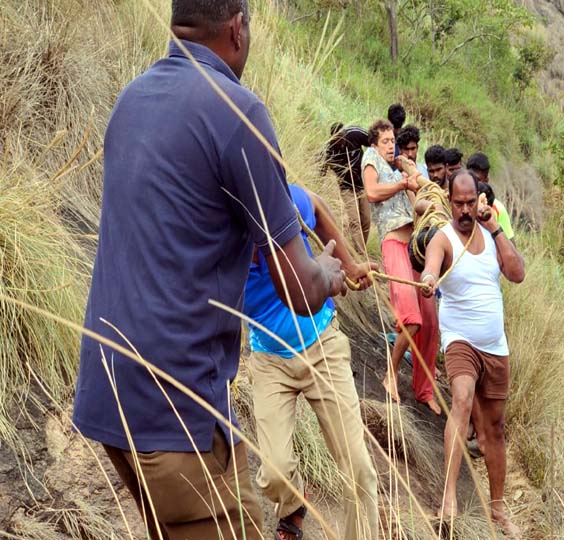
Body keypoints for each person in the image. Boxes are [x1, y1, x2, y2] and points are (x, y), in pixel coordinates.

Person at [72, 3, 346, 540]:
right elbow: (298, 288)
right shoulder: (238, 113)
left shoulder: (132, 99)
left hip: (108, 393)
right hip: (177, 411)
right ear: (237, 26)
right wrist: (331, 270)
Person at [245, 185, 379, 540]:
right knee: (274, 472)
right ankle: (292, 507)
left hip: (323, 345)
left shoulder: (279, 201)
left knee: (360, 470)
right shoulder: (219, 237)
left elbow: (316, 207)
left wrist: (349, 265)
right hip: (269, 358)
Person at [421, 170, 525, 537]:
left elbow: (517, 273)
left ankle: (497, 510)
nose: (465, 210)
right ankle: (447, 500)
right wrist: (430, 279)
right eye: (459, 203)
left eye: (471, 202)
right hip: (460, 339)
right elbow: (432, 266)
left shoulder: (491, 235)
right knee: (462, 400)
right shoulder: (444, 238)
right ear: (450, 201)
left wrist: (496, 229)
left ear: (480, 201)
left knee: (494, 429)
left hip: (495, 346)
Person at [361, 119, 441, 415]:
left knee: (430, 322)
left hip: (415, 247)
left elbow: (415, 202)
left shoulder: (400, 169)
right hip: (394, 243)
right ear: (374, 143)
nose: (390, 145)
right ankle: (390, 373)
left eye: (392, 140)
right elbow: (371, 193)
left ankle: (424, 390)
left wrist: (427, 198)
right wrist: (402, 182)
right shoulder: (371, 160)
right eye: (385, 140)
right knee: (411, 317)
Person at [321, 123, 372, 246]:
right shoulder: (330, 150)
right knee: (355, 221)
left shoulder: (354, 133)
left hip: (362, 185)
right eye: (338, 139)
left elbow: (375, 143)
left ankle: (361, 247)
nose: (341, 141)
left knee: (366, 220)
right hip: (346, 188)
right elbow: (321, 169)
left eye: (343, 137)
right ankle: (360, 254)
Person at [467, 151, 515, 241]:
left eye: (477, 180)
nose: (474, 184)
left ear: (486, 180)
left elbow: (510, 244)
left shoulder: (498, 209)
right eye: (471, 179)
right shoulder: (459, 205)